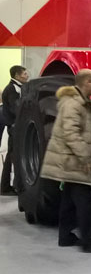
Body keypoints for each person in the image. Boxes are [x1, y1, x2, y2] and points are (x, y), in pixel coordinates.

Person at [40, 69, 91, 253]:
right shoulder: (73, 104)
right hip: (73, 161)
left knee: (69, 201)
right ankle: (89, 241)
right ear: (86, 82)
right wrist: (86, 157)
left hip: (71, 159)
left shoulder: (81, 102)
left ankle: (65, 237)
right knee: (85, 201)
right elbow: (71, 134)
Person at [1, 65, 29, 195]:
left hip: (14, 126)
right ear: (17, 75)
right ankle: (12, 186)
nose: (27, 76)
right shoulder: (12, 89)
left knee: (11, 156)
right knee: (15, 156)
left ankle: (6, 186)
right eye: (24, 73)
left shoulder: (17, 87)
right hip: (14, 127)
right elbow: (15, 108)